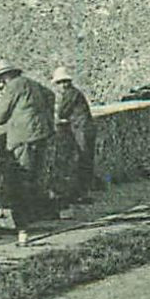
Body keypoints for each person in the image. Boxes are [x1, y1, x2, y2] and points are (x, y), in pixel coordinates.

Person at [0, 59, 57, 227]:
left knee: (24, 175)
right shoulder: (30, 83)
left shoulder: (13, 86)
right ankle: (38, 211)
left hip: (23, 136)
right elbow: (51, 95)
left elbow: (0, 117)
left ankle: (27, 217)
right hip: (40, 133)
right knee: (36, 174)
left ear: (4, 77)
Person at [51, 66, 97, 202]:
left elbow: (61, 112)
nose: (62, 86)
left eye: (63, 82)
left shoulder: (71, 93)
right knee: (84, 160)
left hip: (81, 130)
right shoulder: (73, 92)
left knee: (83, 159)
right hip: (82, 128)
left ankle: (82, 193)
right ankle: (82, 192)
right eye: (60, 83)